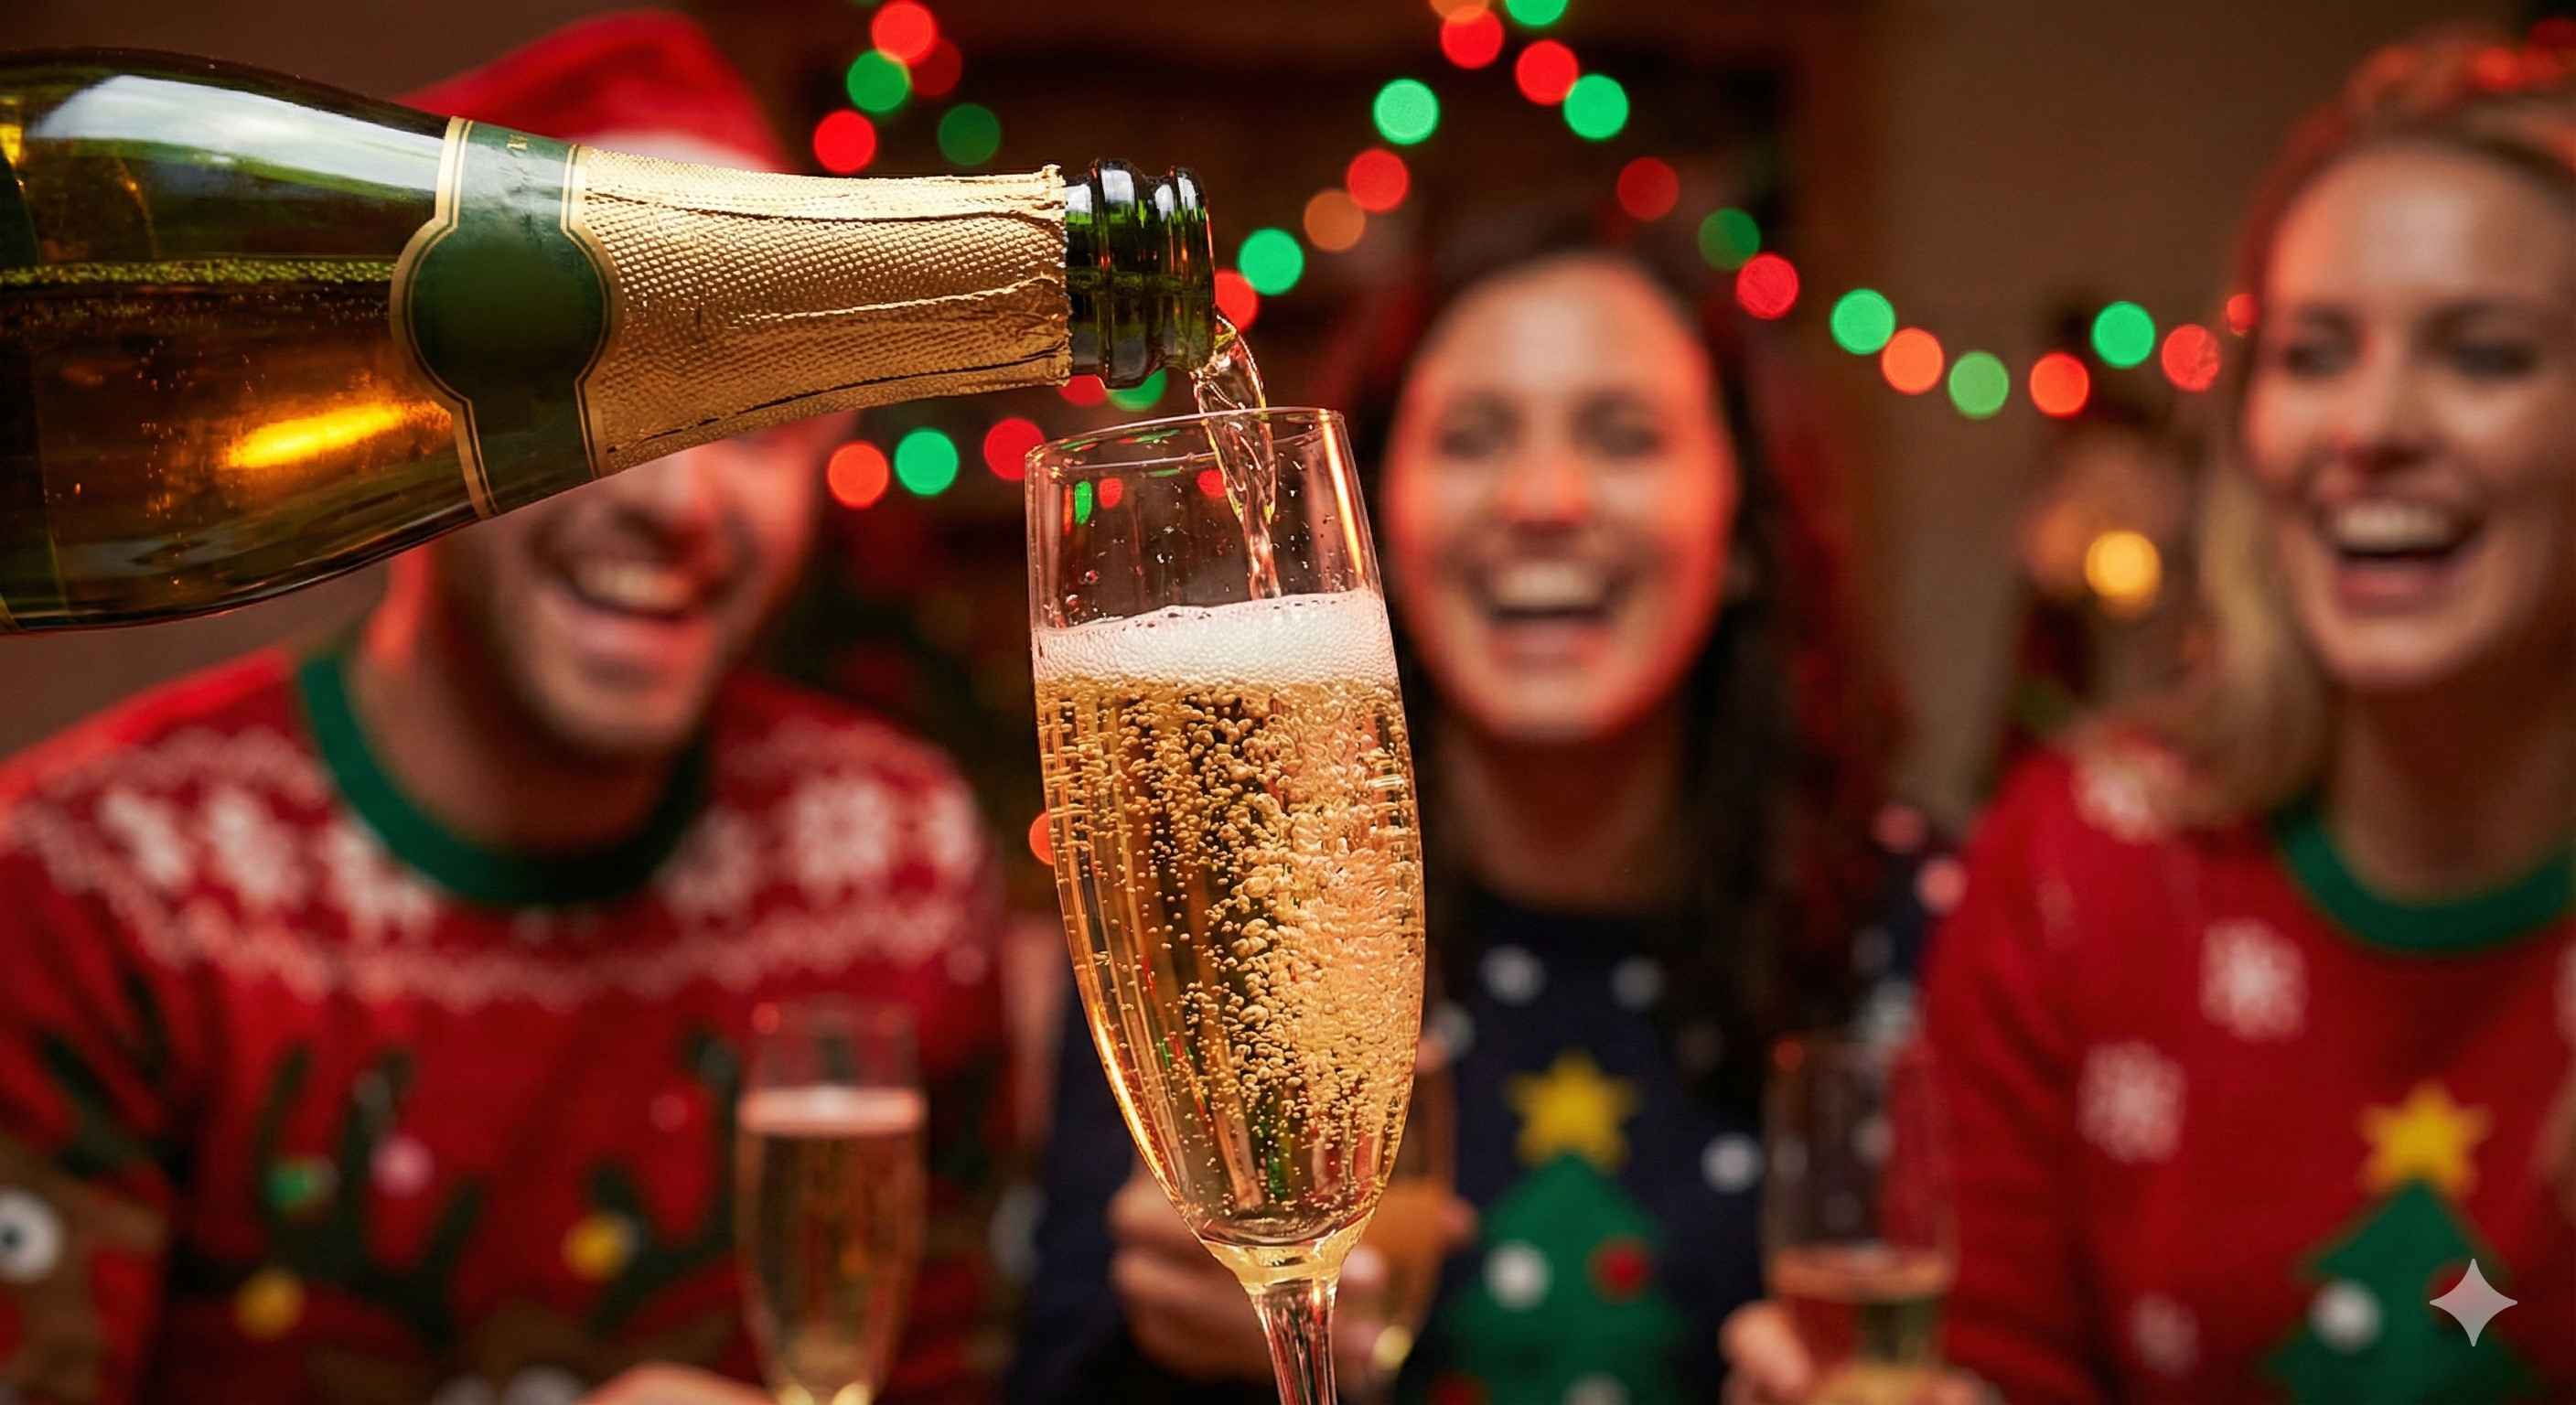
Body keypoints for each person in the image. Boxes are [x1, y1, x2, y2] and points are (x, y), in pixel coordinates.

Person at [0, 15, 1009, 1405]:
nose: (679, 499)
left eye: (759, 414)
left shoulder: (893, 857)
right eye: (597, 395)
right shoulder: (98, 885)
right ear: (405, 418)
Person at [1726, 24, 2576, 1403]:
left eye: (2482, 355)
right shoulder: (2084, 859)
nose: (2371, 424)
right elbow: (1985, 1360)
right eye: (2313, 355)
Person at [1011, 209, 1949, 1405]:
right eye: (1470, 439)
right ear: (1364, 535)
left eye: (1623, 436)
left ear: (1747, 531)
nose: (1546, 498)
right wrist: (1165, 1350)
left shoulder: (1922, 926)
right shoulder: (1215, 926)